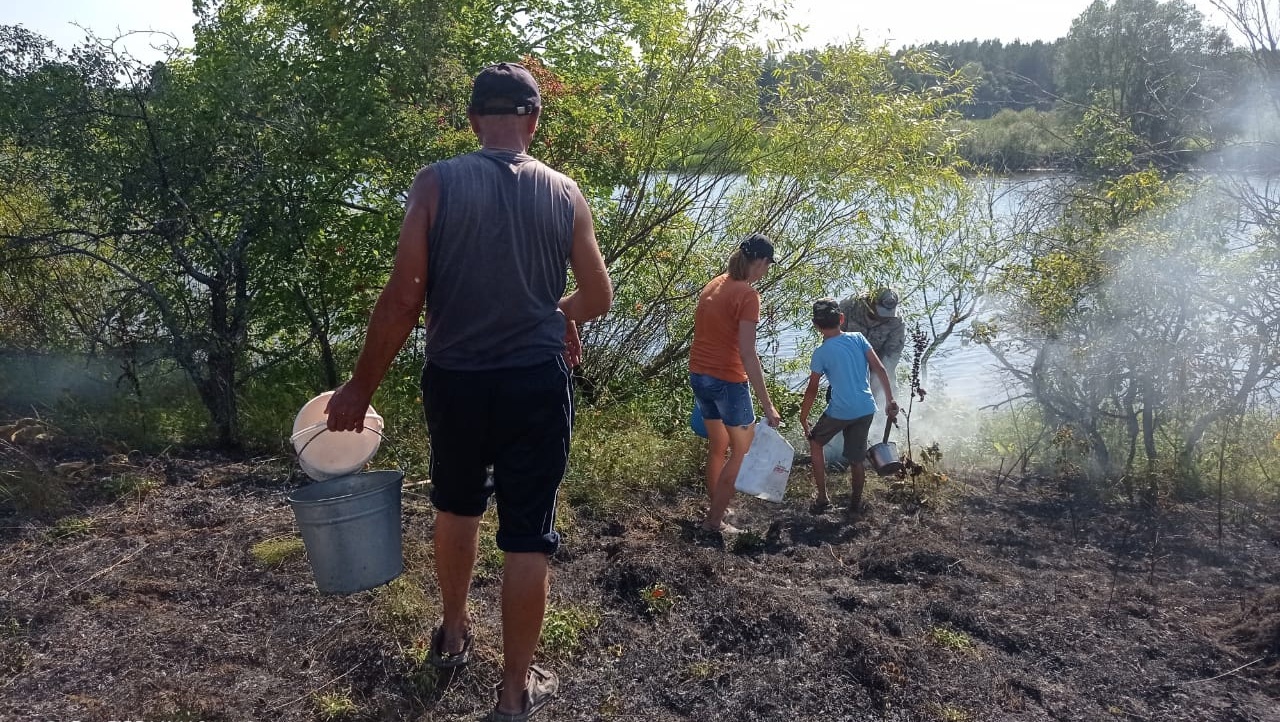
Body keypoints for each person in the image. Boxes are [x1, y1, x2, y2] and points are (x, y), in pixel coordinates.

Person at [324, 62, 612, 721]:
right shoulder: (566, 193)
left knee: (456, 506)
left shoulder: (435, 183)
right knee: (527, 536)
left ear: (475, 119)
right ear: (534, 121)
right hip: (536, 383)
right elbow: (597, 298)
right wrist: (556, 314)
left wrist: (359, 388)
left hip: (455, 380)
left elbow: (403, 299)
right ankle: (513, 694)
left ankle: (453, 633)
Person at [688, 233, 782, 535]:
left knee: (719, 445)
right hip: (727, 381)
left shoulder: (715, 283)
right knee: (740, 452)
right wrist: (767, 404)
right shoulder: (748, 295)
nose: (766, 270)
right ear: (760, 262)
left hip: (699, 375)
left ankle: (717, 504)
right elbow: (747, 351)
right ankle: (714, 522)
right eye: (768, 265)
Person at [799, 298, 899, 513]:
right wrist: (890, 399)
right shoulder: (858, 338)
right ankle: (855, 505)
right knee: (856, 459)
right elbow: (880, 369)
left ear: (815, 325)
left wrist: (803, 416)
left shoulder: (821, 353)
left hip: (840, 411)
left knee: (816, 443)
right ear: (842, 319)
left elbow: (812, 389)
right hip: (866, 407)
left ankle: (823, 499)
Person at [839, 287, 905, 415]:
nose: (884, 317)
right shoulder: (849, 307)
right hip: (848, 364)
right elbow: (834, 339)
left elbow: (892, 354)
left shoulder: (896, 321)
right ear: (870, 303)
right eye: (881, 311)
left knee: (885, 399)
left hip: (878, 365)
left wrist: (879, 380)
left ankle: (879, 431)